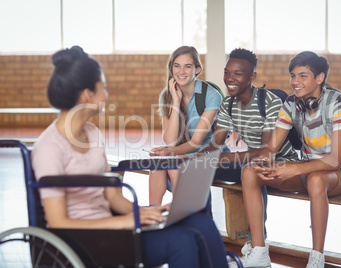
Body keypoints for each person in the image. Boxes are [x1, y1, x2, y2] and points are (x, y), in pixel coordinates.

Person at [31, 46, 229, 268]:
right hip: (86, 241)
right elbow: (58, 223)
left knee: (200, 221)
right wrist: (127, 220)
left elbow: (113, 197)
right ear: (88, 94)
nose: (106, 95)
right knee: (182, 240)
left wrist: (146, 211)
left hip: (116, 230)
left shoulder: (92, 133)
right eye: (102, 88)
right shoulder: (50, 147)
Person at [236, 51, 341, 268]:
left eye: (303, 76)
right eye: (293, 75)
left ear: (319, 78)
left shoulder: (339, 103)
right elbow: (271, 148)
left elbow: (336, 160)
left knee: (316, 180)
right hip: (308, 172)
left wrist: (294, 169)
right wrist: (264, 161)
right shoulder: (292, 104)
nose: (295, 82)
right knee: (249, 171)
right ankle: (260, 251)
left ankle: (316, 258)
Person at [198, 48, 298, 239]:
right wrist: (202, 156)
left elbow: (267, 150)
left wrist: (228, 157)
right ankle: (206, 231)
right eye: (227, 72)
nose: (229, 79)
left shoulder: (270, 102)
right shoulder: (227, 104)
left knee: (254, 169)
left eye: (237, 74)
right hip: (251, 162)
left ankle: (257, 236)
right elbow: (216, 143)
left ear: (252, 76)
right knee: (199, 170)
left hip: (281, 162)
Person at [148, 45, 229, 206]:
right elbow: (171, 141)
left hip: (210, 153)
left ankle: (184, 213)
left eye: (188, 66)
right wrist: (176, 102)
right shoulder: (166, 95)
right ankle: (153, 214)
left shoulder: (211, 95)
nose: (181, 71)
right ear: (171, 68)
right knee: (157, 164)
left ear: (197, 69)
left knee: (173, 164)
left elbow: (196, 142)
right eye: (177, 66)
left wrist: (170, 152)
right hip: (181, 151)